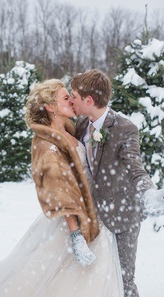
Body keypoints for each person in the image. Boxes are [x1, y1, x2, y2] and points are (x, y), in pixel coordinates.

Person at [0, 79, 124, 297]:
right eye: (65, 98)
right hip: (73, 220)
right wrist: (75, 235)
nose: (71, 100)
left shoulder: (73, 131)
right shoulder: (46, 144)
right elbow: (58, 191)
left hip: (91, 213)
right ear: (51, 107)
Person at [70, 69, 164, 297]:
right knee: (98, 276)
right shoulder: (82, 124)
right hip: (95, 214)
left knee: (124, 278)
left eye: (74, 95)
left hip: (125, 214)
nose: (71, 100)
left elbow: (135, 167)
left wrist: (148, 193)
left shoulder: (125, 129)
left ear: (88, 100)